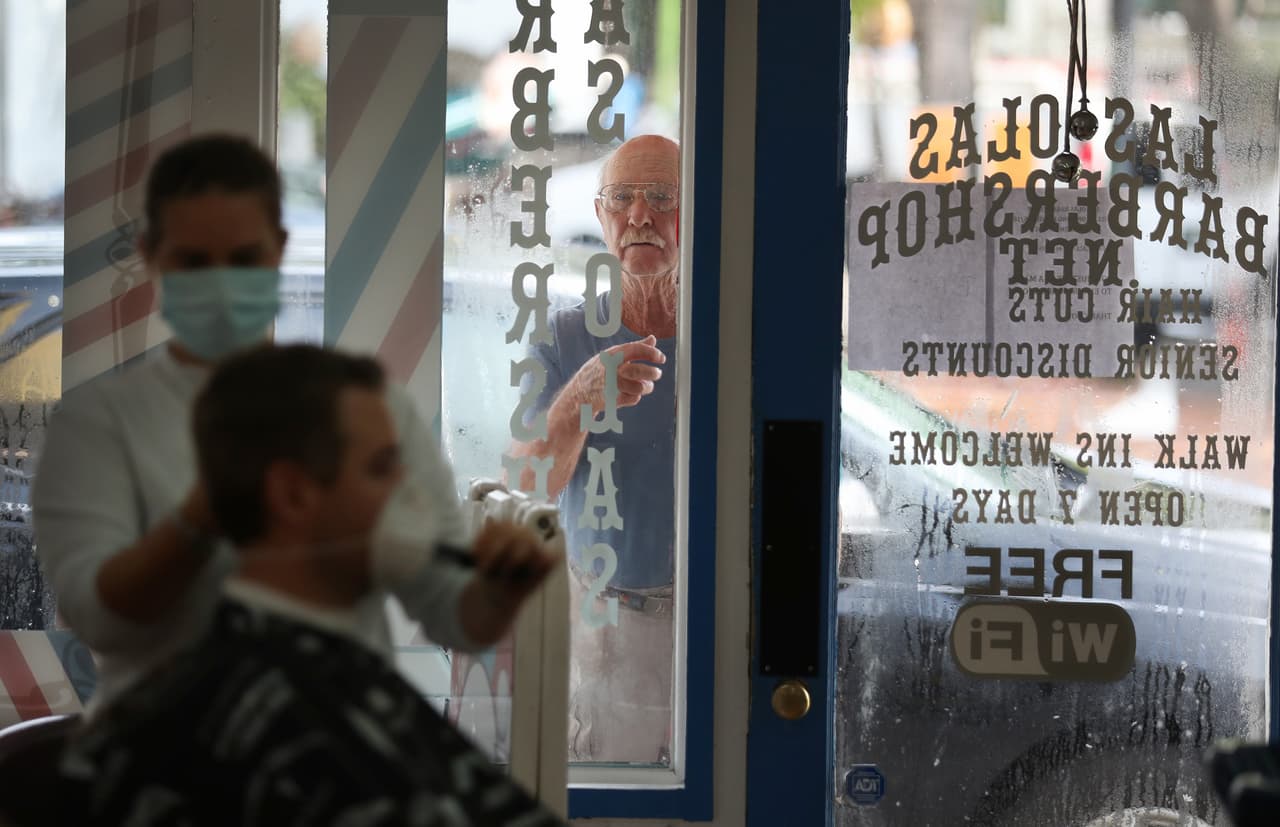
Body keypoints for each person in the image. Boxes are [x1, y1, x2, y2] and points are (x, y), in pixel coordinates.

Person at [32, 134, 516, 715]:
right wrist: (204, 514)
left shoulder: (369, 411)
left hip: (337, 755)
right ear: (151, 254)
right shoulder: (96, 427)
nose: (220, 283)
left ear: (279, 249)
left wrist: (482, 575)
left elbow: (454, 616)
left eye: (242, 259)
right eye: (194, 261)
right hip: (168, 762)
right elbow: (96, 618)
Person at [55, 344, 564, 826]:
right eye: (382, 467)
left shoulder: (323, 672)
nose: (411, 492)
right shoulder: (250, 721)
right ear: (293, 495)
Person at [508, 134, 679, 763]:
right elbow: (526, 486)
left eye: (662, 196)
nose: (641, 214)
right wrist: (581, 396)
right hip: (610, 627)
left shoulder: (729, 329)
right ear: (602, 214)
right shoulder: (563, 335)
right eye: (622, 197)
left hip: (720, 620)